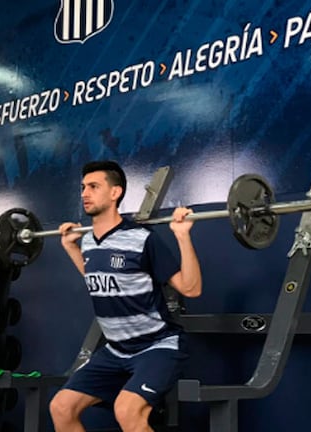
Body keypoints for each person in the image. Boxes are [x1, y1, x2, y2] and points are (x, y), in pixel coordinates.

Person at [50, 161, 202, 432]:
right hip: (116, 350)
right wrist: (70, 248)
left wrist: (182, 237)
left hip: (157, 347)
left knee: (127, 411)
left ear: (115, 192)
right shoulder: (87, 241)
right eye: (83, 187)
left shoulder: (142, 239)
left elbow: (191, 289)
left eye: (94, 187)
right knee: (61, 407)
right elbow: (99, 279)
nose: (85, 193)